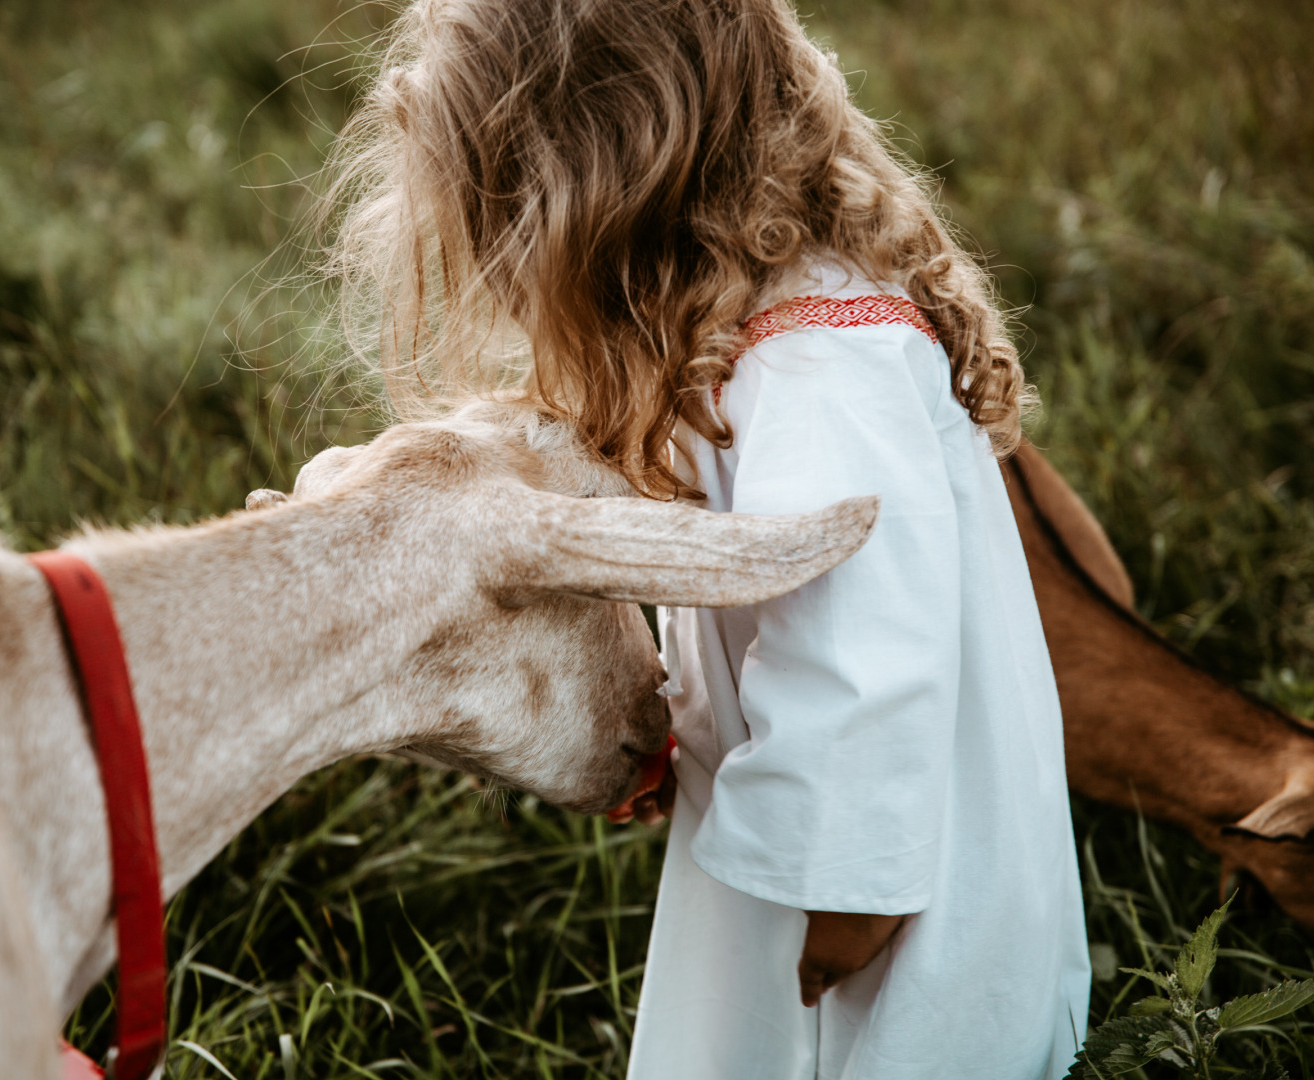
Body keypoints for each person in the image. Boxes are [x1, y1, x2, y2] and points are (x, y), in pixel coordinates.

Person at [320, 0, 1091, 1075]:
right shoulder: (756, 331)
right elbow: (762, 622)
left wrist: (844, 893)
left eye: (512, 229)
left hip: (878, 884)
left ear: (607, 188)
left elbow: (862, 660)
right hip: (806, 825)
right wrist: (682, 733)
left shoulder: (825, 367)